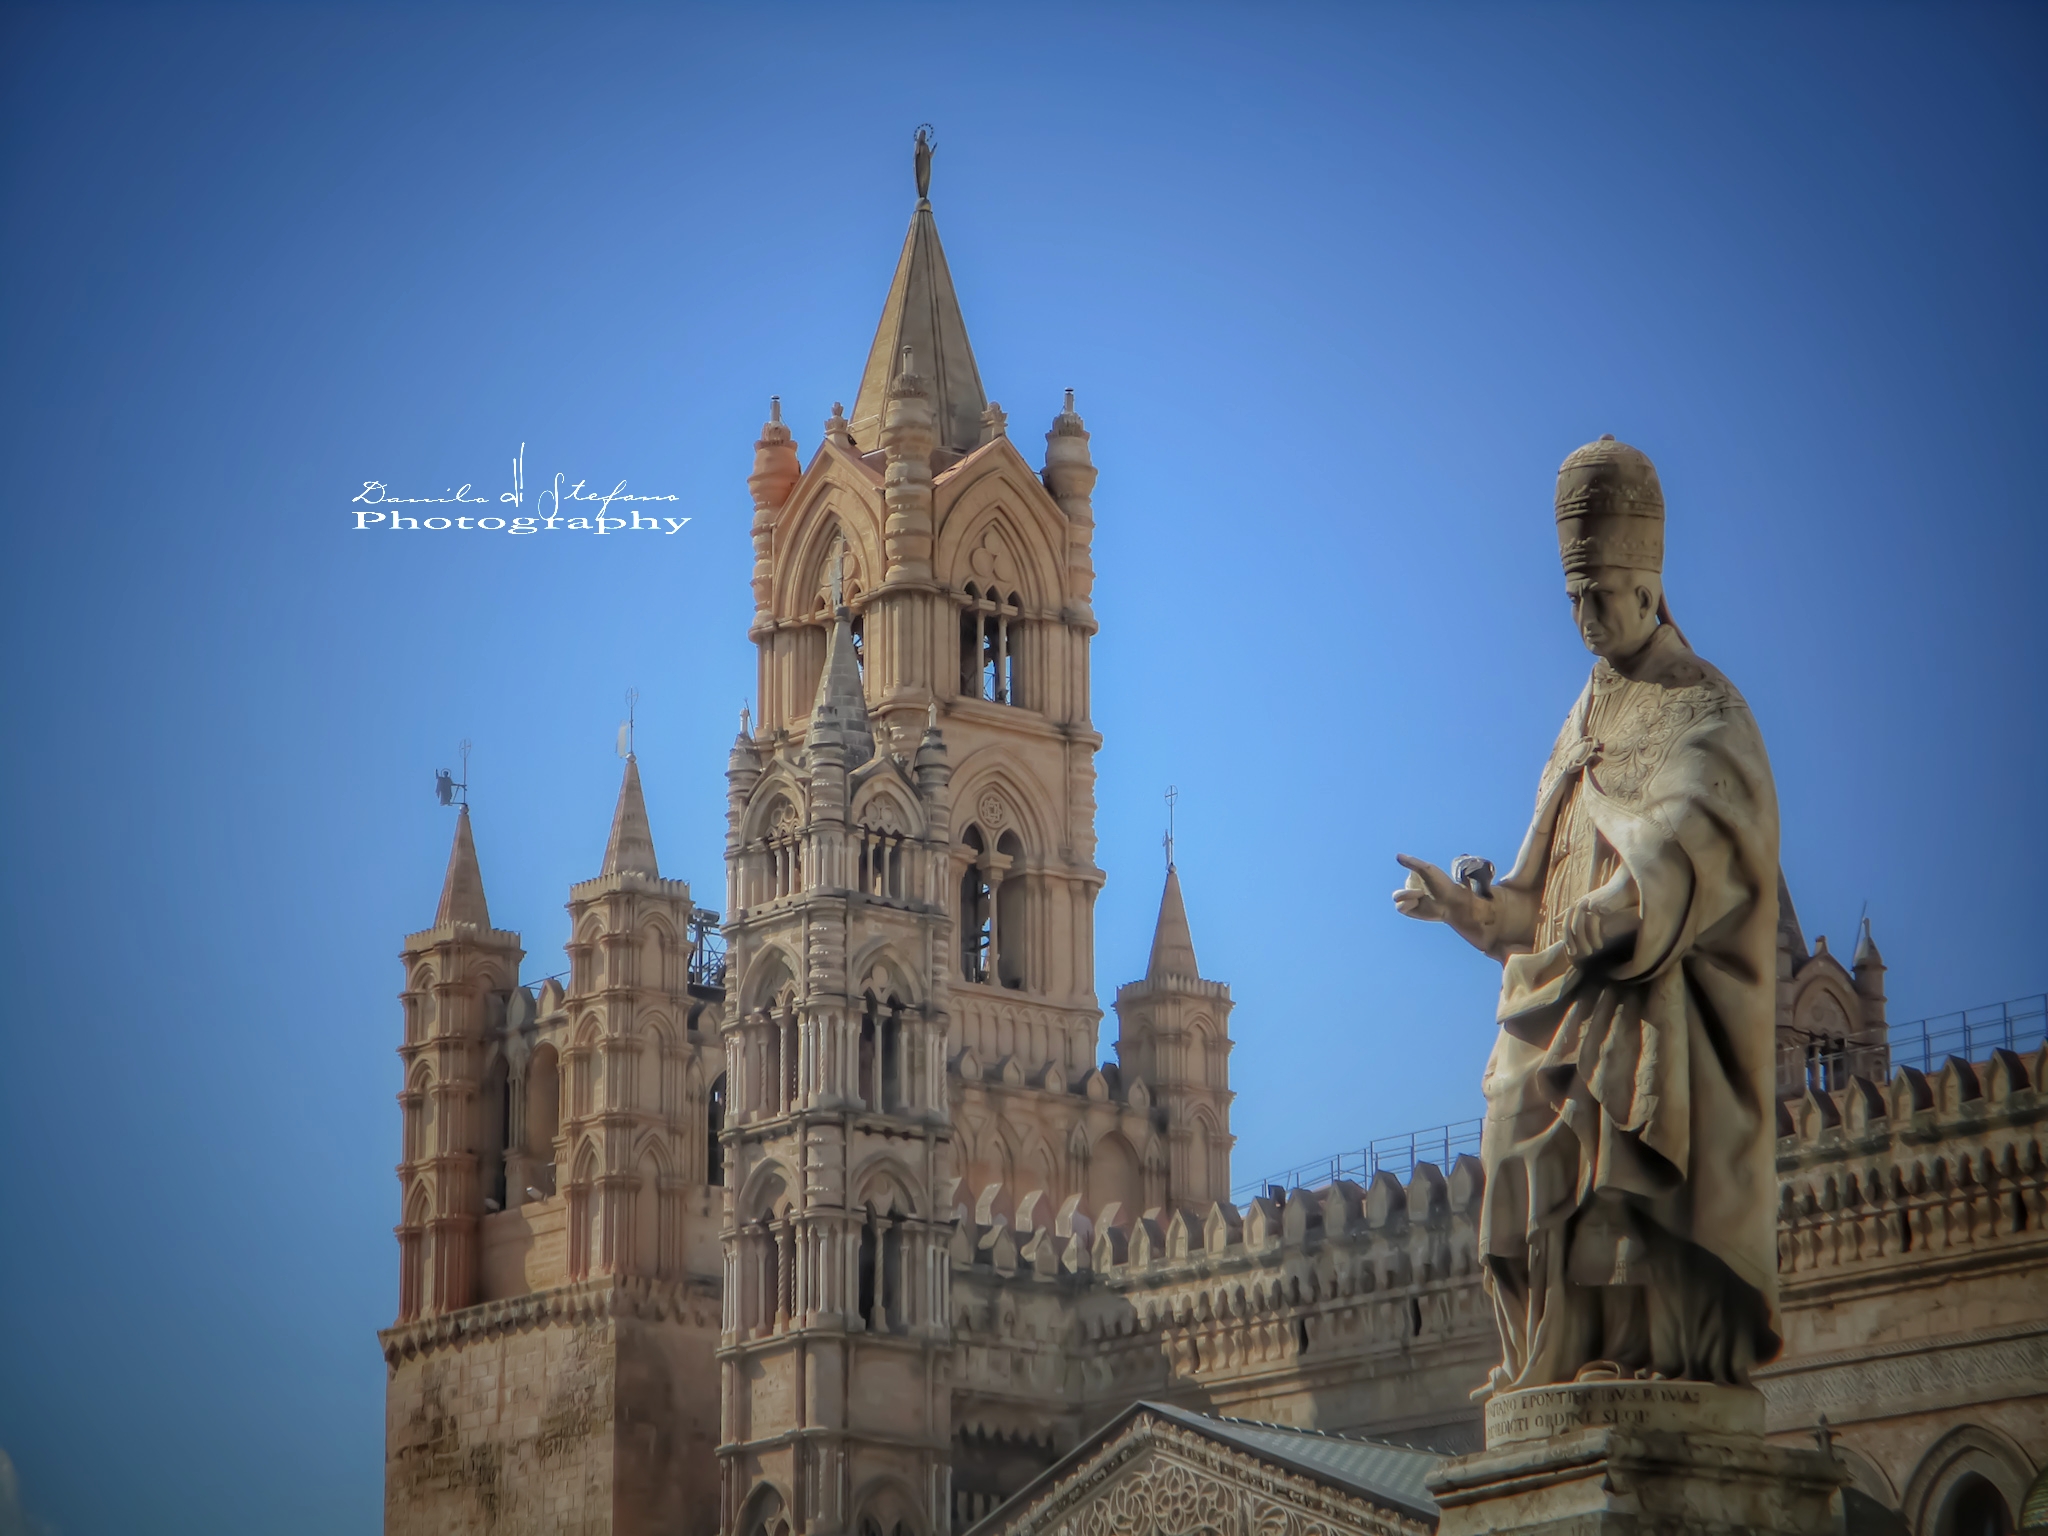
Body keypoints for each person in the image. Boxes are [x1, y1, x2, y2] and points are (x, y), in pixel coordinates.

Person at [1393, 436, 1782, 1395]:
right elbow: (1535, 900)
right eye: (1572, 599)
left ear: (1649, 588)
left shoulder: (1704, 709)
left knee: (1620, 1160)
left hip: (1649, 1004)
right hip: (1561, 992)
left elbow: (1695, 840)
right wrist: (1464, 909)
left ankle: (1643, 1356)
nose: (1583, 618)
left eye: (1600, 595)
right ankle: (1551, 1359)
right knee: (1514, 1140)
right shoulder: (1580, 719)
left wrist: (1620, 904)